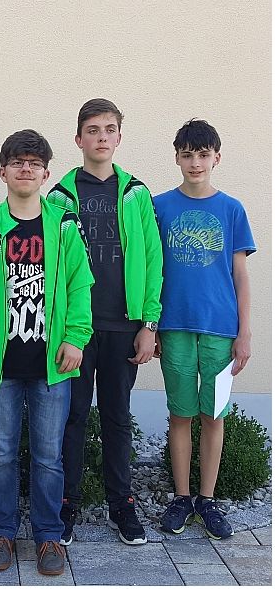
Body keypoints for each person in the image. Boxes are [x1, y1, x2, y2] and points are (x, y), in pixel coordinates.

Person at [0, 130, 93, 576]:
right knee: (0, 454)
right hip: (0, 364)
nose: (25, 169)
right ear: (2, 171)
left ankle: (48, 536)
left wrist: (75, 337)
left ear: (46, 173)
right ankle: (1, 532)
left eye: (34, 163)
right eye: (17, 162)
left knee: (48, 456)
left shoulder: (65, 224)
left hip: (52, 364)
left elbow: (80, 285)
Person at [48, 98, 163, 546]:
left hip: (123, 326)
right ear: (78, 139)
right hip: (75, 330)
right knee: (72, 417)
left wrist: (149, 324)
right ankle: (67, 503)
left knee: (117, 416)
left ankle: (122, 505)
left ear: (118, 137)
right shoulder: (59, 197)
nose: (101, 137)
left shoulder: (136, 193)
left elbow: (152, 260)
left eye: (108, 129)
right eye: (92, 130)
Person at [154, 119, 255, 540]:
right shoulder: (159, 207)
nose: (195, 162)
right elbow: (151, 270)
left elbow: (240, 275)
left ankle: (207, 499)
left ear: (217, 157)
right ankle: (181, 497)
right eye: (187, 154)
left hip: (220, 329)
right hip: (174, 325)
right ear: (177, 158)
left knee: (213, 415)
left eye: (203, 154)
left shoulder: (232, 209)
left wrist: (245, 332)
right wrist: (150, 325)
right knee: (181, 413)